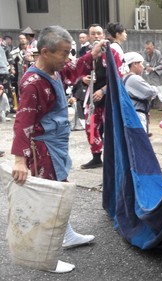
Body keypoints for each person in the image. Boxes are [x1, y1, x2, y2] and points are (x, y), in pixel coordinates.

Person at [10, 25, 96, 273]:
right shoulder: (33, 82)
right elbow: (23, 122)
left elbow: (75, 67)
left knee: (61, 189)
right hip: (41, 148)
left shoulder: (56, 70)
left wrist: (95, 53)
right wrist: (19, 160)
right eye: (64, 53)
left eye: (70, 52)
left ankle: (66, 235)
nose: (67, 58)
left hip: (55, 144)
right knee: (47, 200)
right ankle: (44, 257)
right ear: (45, 52)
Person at [76, 23, 122, 169]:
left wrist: (103, 90)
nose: (96, 36)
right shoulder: (87, 53)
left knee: (110, 127)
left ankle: (113, 157)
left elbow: (119, 76)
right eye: (93, 33)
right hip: (91, 96)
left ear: (103, 35)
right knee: (91, 127)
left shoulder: (112, 52)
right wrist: (84, 79)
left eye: (99, 33)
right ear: (89, 36)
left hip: (108, 96)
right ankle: (96, 157)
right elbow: (79, 71)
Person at [122, 51, 156, 133]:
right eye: (141, 64)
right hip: (137, 114)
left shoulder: (124, 77)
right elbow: (150, 92)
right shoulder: (134, 78)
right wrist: (155, 88)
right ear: (135, 64)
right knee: (140, 141)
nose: (143, 67)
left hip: (130, 113)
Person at [142, 41, 162, 110]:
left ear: (153, 47)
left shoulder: (157, 53)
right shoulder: (145, 52)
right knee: (148, 87)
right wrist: (147, 66)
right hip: (148, 73)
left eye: (149, 48)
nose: (147, 50)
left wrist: (153, 68)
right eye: (146, 48)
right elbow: (143, 61)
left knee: (159, 88)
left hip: (156, 73)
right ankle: (150, 103)